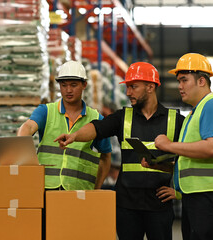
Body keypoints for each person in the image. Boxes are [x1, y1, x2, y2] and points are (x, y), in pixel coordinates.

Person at [55, 62, 185, 240]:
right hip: (126, 207)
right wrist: (75, 136)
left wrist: (179, 191)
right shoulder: (122, 117)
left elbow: (189, 159)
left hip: (159, 206)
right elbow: (97, 128)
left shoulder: (176, 120)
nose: (128, 92)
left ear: (150, 87)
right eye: (128, 87)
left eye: (133, 87)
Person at [143, 53, 213, 240]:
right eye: (179, 81)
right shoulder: (195, 114)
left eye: (184, 80)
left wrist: (169, 145)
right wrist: (160, 165)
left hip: (211, 195)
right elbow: (191, 161)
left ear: (202, 81)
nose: (179, 86)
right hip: (199, 196)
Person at [17, 60, 112, 190]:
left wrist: (96, 189)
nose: (68, 90)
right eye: (63, 85)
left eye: (73, 85)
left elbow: (106, 156)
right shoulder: (46, 111)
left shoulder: (96, 119)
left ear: (84, 85)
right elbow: (28, 127)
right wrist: (20, 142)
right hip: (45, 189)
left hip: (79, 192)